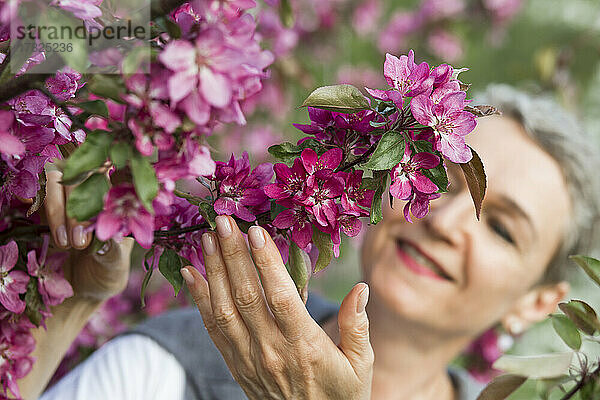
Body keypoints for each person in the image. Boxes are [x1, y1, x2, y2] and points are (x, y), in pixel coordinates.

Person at [17, 84, 600, 400]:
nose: (444, 222)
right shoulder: (172, 363)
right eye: (433, 180)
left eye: (500, 227)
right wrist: (64, 314)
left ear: (537, 302)